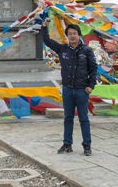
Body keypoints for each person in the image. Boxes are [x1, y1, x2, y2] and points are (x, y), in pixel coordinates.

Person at [41, 18, 97, 156]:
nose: (72, 36)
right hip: (67, 89)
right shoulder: (62, 49)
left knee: (83, 118)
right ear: (67, 36)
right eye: (70, 33)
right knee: (68, 118)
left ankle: (87, 146)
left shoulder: (87, 51)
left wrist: (91, 86)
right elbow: (47, 41)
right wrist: (44, 27)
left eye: (75, 33)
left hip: (81, 90)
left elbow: (93, 69)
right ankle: (67, 144)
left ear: (79, 35)